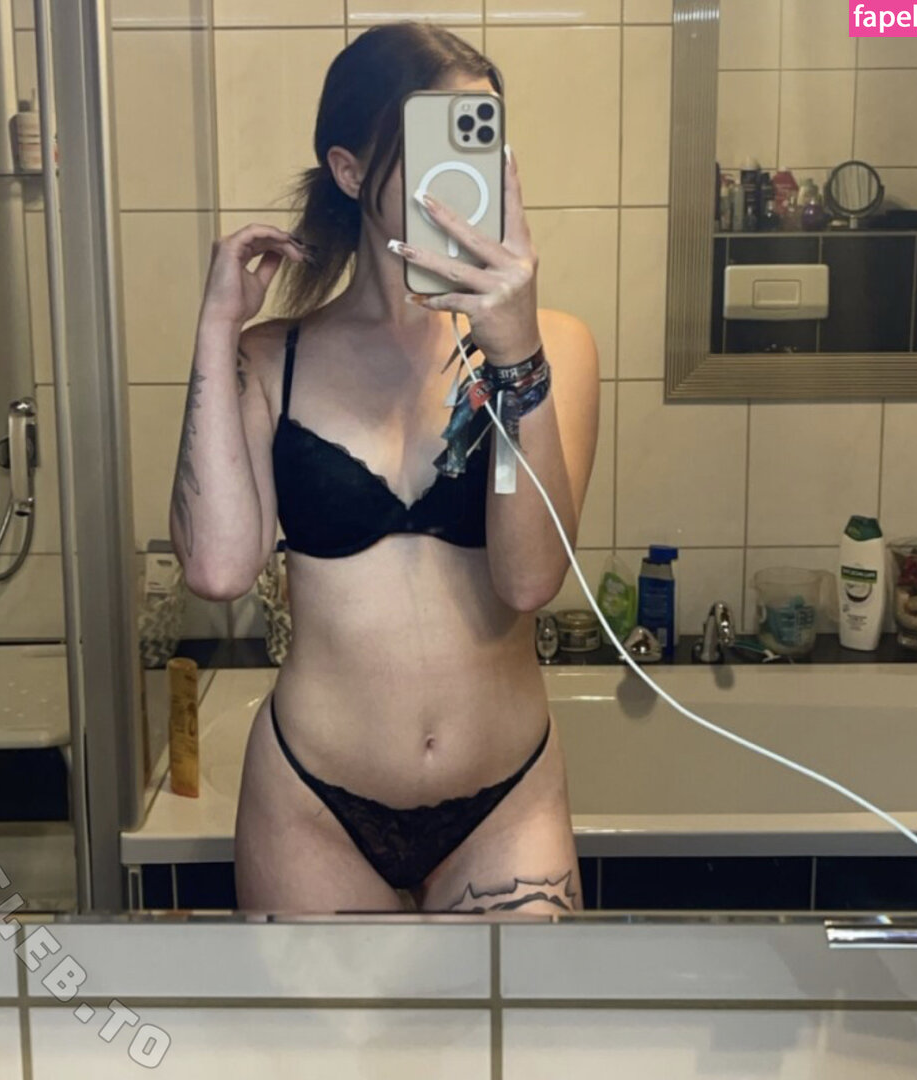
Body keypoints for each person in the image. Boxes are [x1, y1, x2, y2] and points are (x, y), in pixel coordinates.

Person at [169, 21, 599, 915]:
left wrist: (515, 356)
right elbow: (217, 569)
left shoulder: (555, 347)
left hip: (505, 802)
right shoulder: (272, 359)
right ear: (349, 168)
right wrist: (216, 330)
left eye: (479, 138)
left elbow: (528, 580)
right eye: (436, 138)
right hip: (313, 805)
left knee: (524, 1016)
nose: (461, 174)